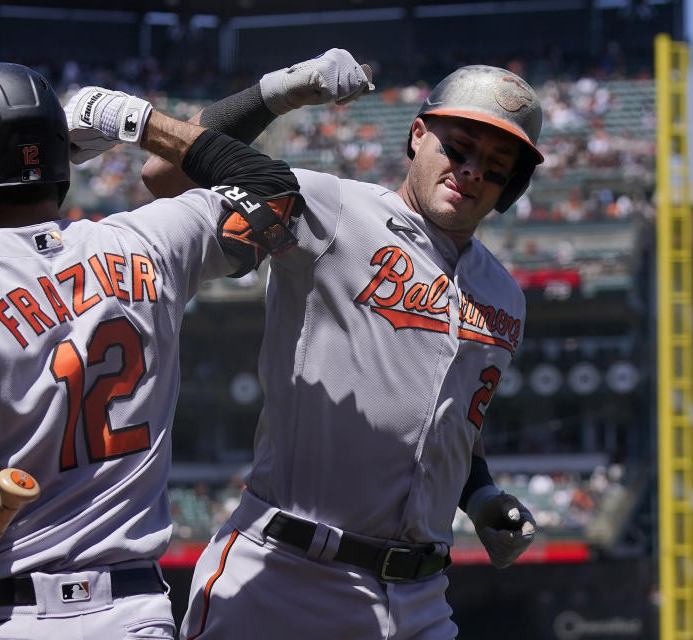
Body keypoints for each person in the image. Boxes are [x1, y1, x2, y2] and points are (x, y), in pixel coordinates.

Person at [0, 61, 356, 640]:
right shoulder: (145, 242)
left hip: (5, 618)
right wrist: (134, 120)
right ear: (63, 163)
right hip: (134, 616)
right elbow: (272, 194)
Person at [139, 51, 541, 639]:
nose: (473, 171)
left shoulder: (504, 295)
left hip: (422, 597)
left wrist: (480, 494)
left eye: (497, 165)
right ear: (417, 135)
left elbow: (449, 422)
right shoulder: (334, 208)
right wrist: (279, 91)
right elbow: (161, 175)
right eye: (457, 149)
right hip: (286, 576)